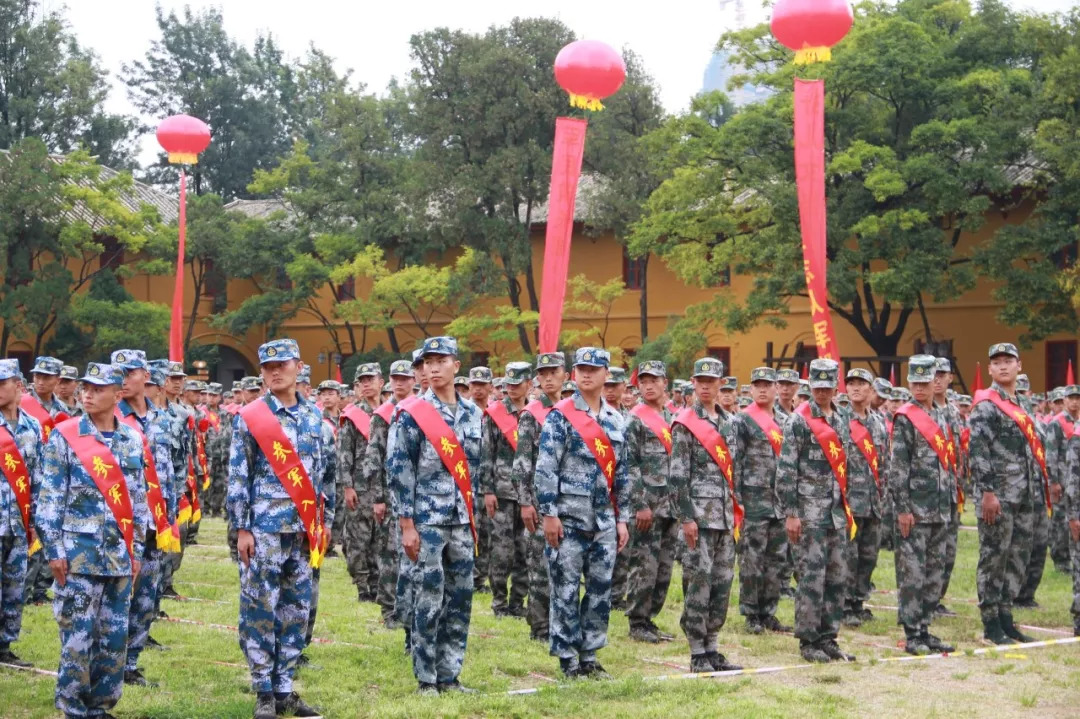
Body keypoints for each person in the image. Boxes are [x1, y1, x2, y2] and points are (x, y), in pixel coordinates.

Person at [228, 339, 333, 719]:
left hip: (303, 532)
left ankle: (285, 687)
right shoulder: (251, 416)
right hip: (264, 529)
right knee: (259, 608)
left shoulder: (315, 417)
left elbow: (327, 474)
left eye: (283, 364)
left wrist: (326, 522)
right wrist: (242, 528)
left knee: (295, 610)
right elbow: (238, 476)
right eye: (268, 365)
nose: (275, 371)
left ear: (299, 367)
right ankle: (264, 691)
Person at [38, 362, 150, 719]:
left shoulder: (132, 438)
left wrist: (137, 552)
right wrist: (54, 552)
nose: (87, 393)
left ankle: (101, 707)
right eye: (85, 387)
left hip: (118, 556)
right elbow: (49, 499)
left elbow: (139, 500)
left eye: (97, 388)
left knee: (114, 640)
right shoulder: (66, 434)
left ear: (118, 395)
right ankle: (72, 708)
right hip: (78, 556)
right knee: (77, 639)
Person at [388, 336, 485, 695]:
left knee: (460, 600)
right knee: (428, 599)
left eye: (441, 360)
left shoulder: (474, 414)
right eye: (427, 360)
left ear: (456, 366)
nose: (432, 366)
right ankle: (426, 678)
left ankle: (450, 674)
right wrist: (407, 525)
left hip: (461, 520)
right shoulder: (412, 412)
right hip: (426, 520)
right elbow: (400, 470)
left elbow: (476, 468)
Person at [535, 347, 630, 679]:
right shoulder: (561, 415)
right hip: (568, 519)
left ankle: (590, 655)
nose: (586, 374)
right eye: (581, 369)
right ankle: (568, 659)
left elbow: (623, 474)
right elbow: (546, 468)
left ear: (607, 374)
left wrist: (622, 519)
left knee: (601, 589)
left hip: (604, 520)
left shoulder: (617, 420)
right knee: (564, 587)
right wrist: (548, 513)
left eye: (593, 369)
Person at [969, 343, 1052, 645]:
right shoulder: (986, 405)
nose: (1003, 366)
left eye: (1008, 361)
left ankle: (1006, 617)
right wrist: (987, 492)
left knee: (1017, 557)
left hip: (1025, 496)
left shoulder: (1023, 406)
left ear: (1019, 366)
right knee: (994, 557)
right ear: (990, 369)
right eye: (997, 362)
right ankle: (991, 623)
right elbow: (977, 451)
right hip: (999, 497)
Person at [776, 358, 856, 664]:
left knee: (836, 577)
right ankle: (808, 640)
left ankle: (828, 636)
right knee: (811, 577)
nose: (822, 392)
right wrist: (791, 513)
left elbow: (846, 465)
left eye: (827, 386)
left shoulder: (843, 417)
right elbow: (786, 471)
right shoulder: (798, 420)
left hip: (836, 512)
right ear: (810, 387)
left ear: (836, 386)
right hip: (809, 513)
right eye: (816, 387)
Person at [671, 358, 743, 673]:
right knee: (697, 583)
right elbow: (677, 478)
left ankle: (713, 645)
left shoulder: (731, 423)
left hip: (725, 519)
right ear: (692, 382)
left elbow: (735, 472)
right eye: (700, 380)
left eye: (711, 381)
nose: (705, 385)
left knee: (722, 583)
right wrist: (686, 519)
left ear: (721, 384)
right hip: (698, 519)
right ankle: (697, 650)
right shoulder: (685, 423)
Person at [113, 350, 178, 687]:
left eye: (128, 372)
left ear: (144, 375)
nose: (122, 379)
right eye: (117, 372)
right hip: (122, 525)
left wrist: (173, 514)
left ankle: (131, 663)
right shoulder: (108, 418)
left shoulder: (163, 419)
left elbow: (172, 468)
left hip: (156, 523)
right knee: (117, 596)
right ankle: (109, 663)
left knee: (147, 596)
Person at [887, 356, 956, 655]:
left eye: (923, 382)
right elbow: (897, 469)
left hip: (939, 508)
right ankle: (912, 632)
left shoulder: (942, 414)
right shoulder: (906, 417)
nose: (918, 388)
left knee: (933, 572)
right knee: (912, 574)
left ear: (934, 383)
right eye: (913, 382)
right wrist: (902, 508)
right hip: (914, 511)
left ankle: (925, 627)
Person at [510, 351, 567, 643]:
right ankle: (540, 626)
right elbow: (522, 464)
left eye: (553, 373)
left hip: (567, 502)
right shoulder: (532, 414)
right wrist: (525, 502)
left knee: (564, 566)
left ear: (564, 376)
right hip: (538, 502)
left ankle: (561, 622)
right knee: (540, 565)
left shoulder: (572, 410)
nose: (547, 378)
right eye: (542, 374)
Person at [732, 367, 792, 635]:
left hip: (779, 502)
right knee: (752, 559)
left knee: (776, 559)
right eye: (758, 385)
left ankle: (769, 611)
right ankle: (751, 613)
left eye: (768, 384)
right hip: (753, 500)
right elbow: (735, 461)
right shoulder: (742, 421)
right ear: (751, 389)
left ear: (776, 388)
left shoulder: (786, 421)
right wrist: (737, 498)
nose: (763, 389)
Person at [624, 360, 678, 644]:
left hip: (671, 505)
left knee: (664, 567)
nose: (648, 385)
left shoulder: (673, 418)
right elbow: (629, 464)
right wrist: (639, 504)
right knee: (644, 565)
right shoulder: (635, 419)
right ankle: (637, 621)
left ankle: (650, 618)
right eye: (643, 380)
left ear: (664, 383)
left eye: (653, 380)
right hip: (647, 506)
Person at [360, 359, 415, 629]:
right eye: (395, 378)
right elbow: (373, 459)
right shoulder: (383, 414)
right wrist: (378, 498)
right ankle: (389, 609)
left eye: (405, 378)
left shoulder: (421, 409)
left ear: (414, 379)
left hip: (418, 496)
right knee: (389, 554)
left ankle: (411, 607)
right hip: (391, 496)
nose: (400, 383)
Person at [0, 358, 42, 668]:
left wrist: (39, 520)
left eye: (3, 384)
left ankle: (4, 646)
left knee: (15, 587)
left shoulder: (32, 426)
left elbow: (38, 477)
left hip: (19, 523)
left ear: (19, 386)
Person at [481, 361, 531, 618]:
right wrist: (487, 490)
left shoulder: (537, 413)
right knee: (502, 550)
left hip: (529, 495)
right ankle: (500, 602)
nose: (511, 389)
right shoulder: (495, 413)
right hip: (501, 492)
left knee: (525, 549)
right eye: (508, 384)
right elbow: (486, 454)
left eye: (517, 384)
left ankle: (518, 602)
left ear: (528, 384)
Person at [841, 368, 888, 627]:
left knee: (869, 556)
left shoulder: (879, 422)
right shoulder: (840, 420)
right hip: (849, 502)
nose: (856, 388)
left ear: (872, 390)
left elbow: (885, 463)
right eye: (852, 384)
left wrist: (884, 495)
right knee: (849, 556)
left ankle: (859, 601)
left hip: (873, 501)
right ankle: (845, 605)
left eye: (862, 384)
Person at [22, 356, 69, 606]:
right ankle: (24, 590)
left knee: (49, 531)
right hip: (25, 477)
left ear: (57, 380)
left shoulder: (63, 410)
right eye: (38, 376)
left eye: (47, 377)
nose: (40, 381)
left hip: (54, 478)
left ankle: (40, 588)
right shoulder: (23, 405)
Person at [341, 363, 385, 603]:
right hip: (359, 486)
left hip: (383, 487)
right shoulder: (352, 414)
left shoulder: (389, 411)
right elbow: (344, 454)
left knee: (381, 538)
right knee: (359, 538)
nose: (367, 384)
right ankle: (362, 586)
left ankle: (379, 583)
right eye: (362, 381)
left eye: (371, 379)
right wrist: (347, 486)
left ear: (381, 382)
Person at [1047, 386, 1080, 577]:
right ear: (1064, 400)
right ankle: (1060, 559)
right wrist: (1053, 481)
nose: (1075, 402)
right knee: (1060, 522)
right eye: (1071, 398)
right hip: (1062, 479)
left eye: (1077, 398)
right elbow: (1051, 453)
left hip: (1076, 482)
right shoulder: (1057, 423)